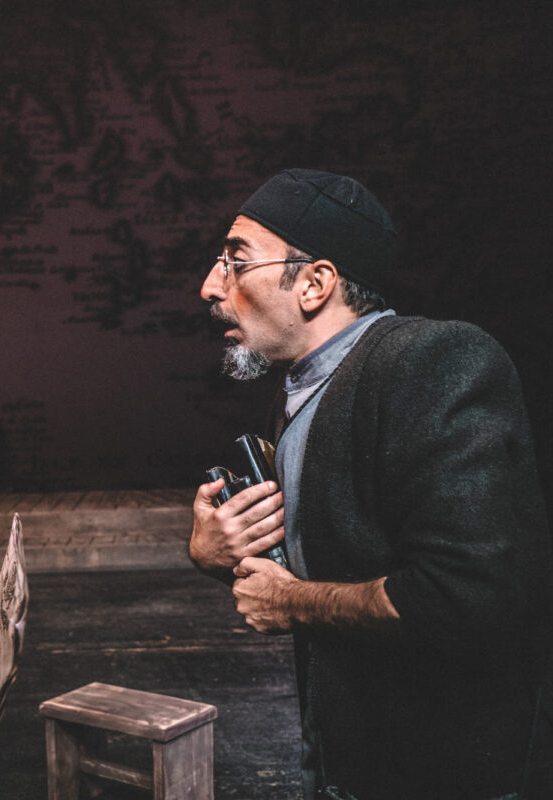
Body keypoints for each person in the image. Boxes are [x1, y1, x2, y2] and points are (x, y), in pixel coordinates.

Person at [189, 168, 553, 800]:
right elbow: (332, 562)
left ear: (314, 283)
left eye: (235, 261)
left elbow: (464, 596)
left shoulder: (431, 361)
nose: (210, 286)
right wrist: (219, 554)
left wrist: (292, 601)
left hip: (440, 776)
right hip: (342, 758)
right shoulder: (306, 389)